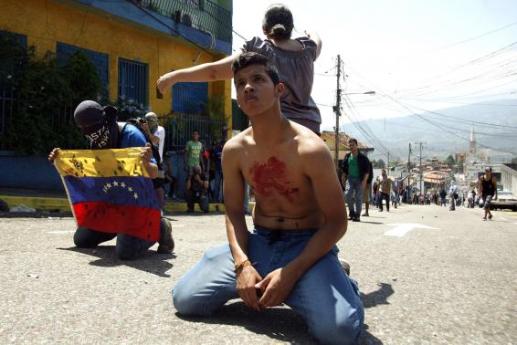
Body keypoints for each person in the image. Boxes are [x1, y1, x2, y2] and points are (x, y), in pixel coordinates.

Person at [172, 52, 363, 345]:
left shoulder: (310, 149)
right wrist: (242, 265)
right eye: (240, 83)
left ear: (279, 90)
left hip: (306, 247)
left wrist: (290, 273)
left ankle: (337, 279)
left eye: (258, 79)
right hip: (259, 243)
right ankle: (271, 280)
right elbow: (234, 212)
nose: (248, 87)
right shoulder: (235, 149)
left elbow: (337, 222)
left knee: (339, 333)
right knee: (185, 300)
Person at [157, 4, 322, 134]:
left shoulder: (259, 50)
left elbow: (214, 72)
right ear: (291, 28)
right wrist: (312, 33)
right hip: (310, 129)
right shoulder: (307, 49)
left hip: (274, 128)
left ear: (265, 29)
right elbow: (317, 40)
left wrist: (174, 77)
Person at [48, 100, 174, 260]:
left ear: (103, 120)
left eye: (92, 127)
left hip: (138, 205)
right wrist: (61, 163)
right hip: (113, 205)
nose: (90, 133)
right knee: (82, 239)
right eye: (84, 129)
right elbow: (92, 176)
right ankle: (118, 227)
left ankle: (160, 227)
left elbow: (154, 173)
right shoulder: (96, 142)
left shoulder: (131, 136)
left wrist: (146, 162)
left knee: (125, 251)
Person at [340, 138, 370, 222]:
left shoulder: (362, 158)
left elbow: (367, 171)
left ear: (357, 146)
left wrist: (364, 181)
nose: (351, 146)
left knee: (358, 197)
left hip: (360, 179)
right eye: (350, 145)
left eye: (353, 145)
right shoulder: (347, 156)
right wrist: (343, 179)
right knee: (347, 194)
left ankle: (357, 215)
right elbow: (344, 170)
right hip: (350, 179)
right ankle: (352, 212)